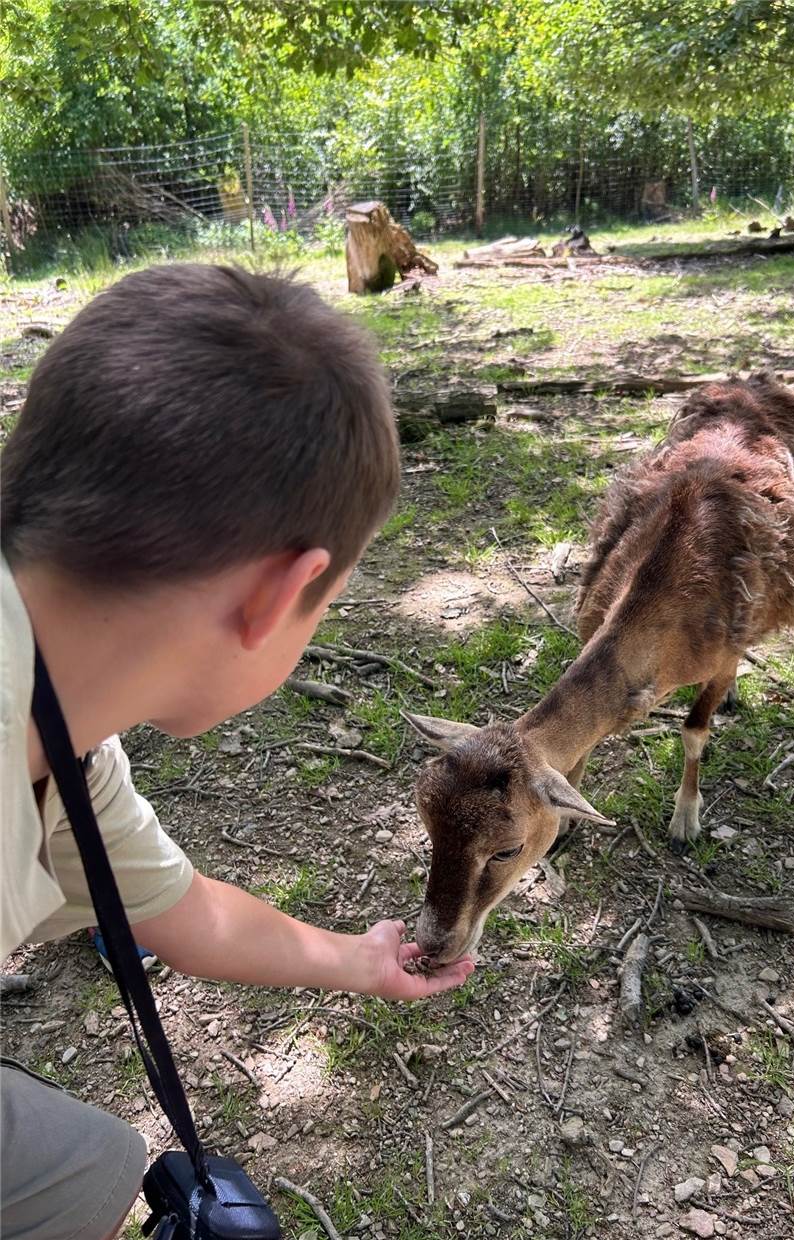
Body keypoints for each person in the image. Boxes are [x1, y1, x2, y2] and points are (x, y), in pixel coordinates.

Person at [0, 263, 473, 1240]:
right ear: (275, 594)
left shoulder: (63, 721)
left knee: (92, 1161)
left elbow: (177, 905)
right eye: (325, 605)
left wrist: (362, 960)